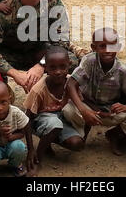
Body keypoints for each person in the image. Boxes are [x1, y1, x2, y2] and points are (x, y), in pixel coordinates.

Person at [63, 27, 126, 156]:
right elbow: (71, 84)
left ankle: (116, 135)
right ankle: (82, 131)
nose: (108, 50)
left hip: (110, 113)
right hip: (88, 107)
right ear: (94, 47)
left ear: (118, 47)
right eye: (102, 46)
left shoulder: (122, 70)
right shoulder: (88, 61)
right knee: (68, 110)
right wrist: (84, 110)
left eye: (112, 46)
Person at [23, 46, 84, 175]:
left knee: (77, 143)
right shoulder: (38, 89)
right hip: (41, 120)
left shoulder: (71, 83)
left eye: (62, 67)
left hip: (61, 119)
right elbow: (27, 119)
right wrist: (31, 150)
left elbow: (81, 104)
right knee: (54, 124)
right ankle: (38, 159)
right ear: (45, 68)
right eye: (53, 67)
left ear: (69, 65)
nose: (58, 72)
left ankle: (48, 141)